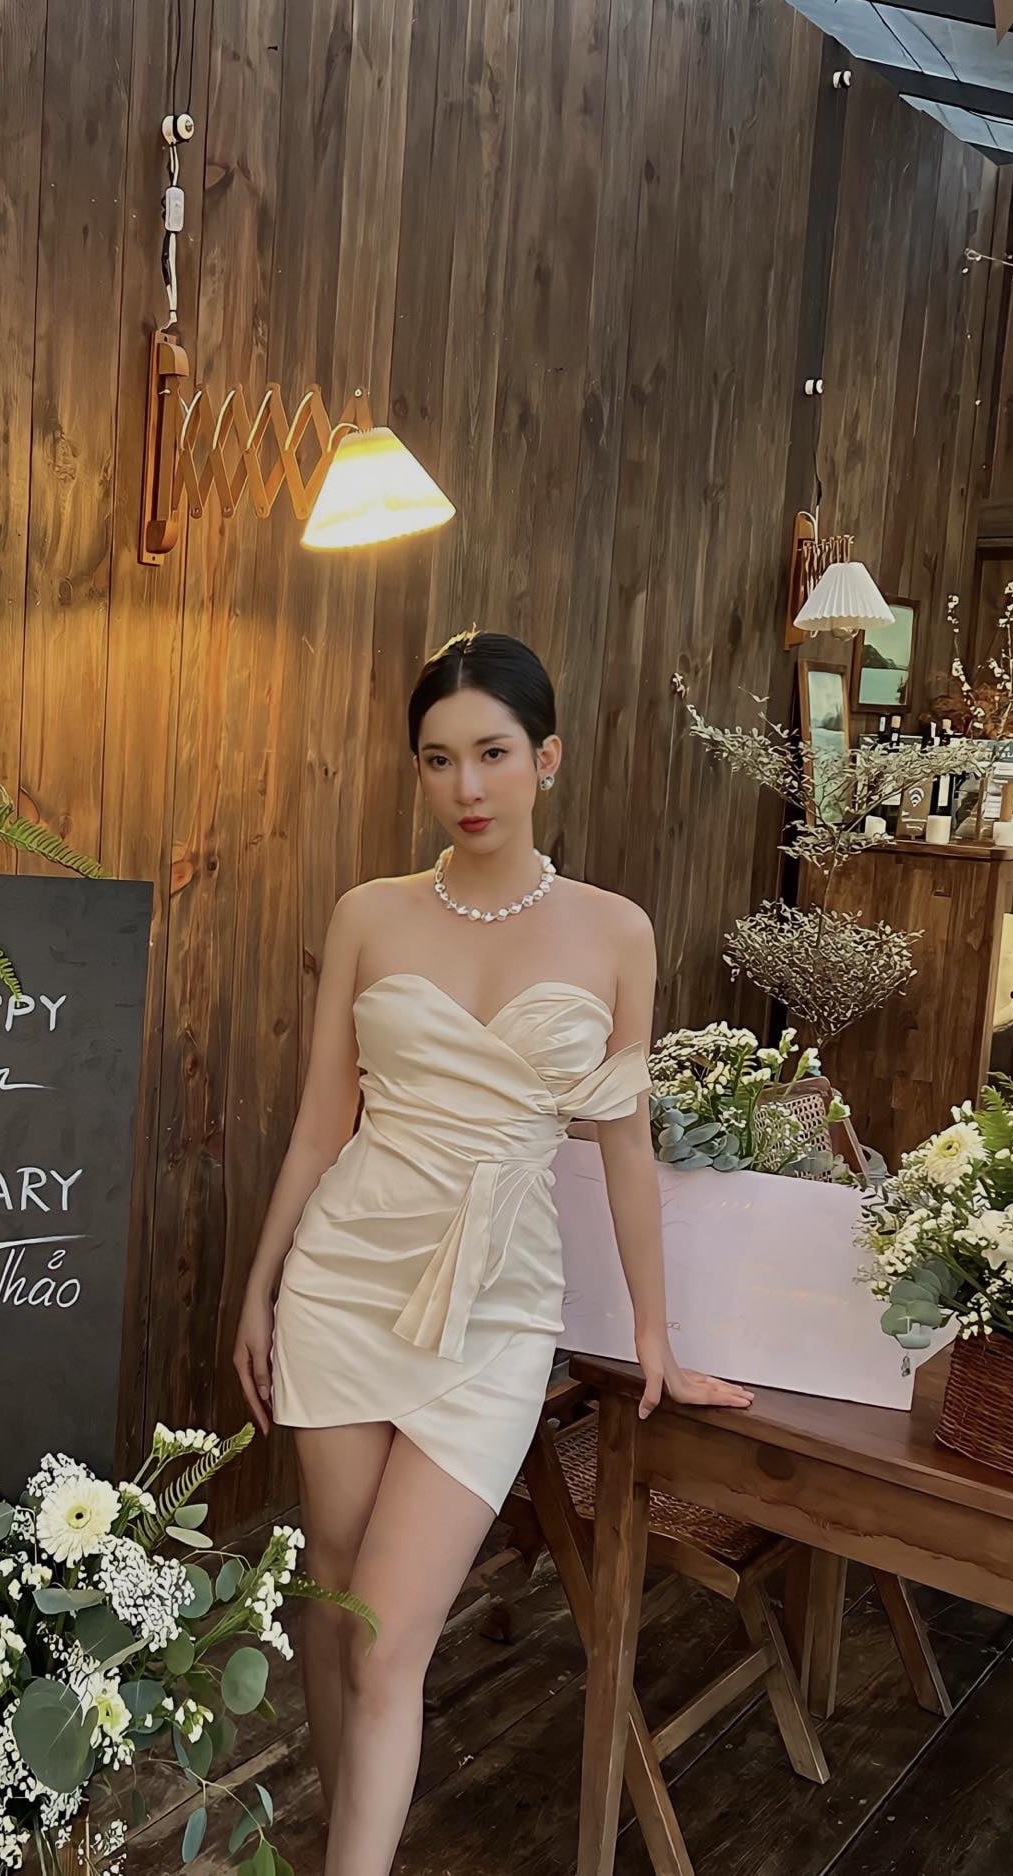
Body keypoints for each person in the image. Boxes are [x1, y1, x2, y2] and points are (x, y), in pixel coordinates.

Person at [230, 628, 753, 1874]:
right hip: (344, 1280)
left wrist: (654, 1334)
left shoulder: (614, 931)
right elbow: (320, 1122)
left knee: (388, 1637)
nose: (465, 786)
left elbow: (623, 1146)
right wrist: (258, 1289)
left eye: (492, 753)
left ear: (545, 758)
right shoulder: (369, 914)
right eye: (436, 759)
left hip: (498, 1308)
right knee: (335, 1605)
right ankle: (341, 1835)